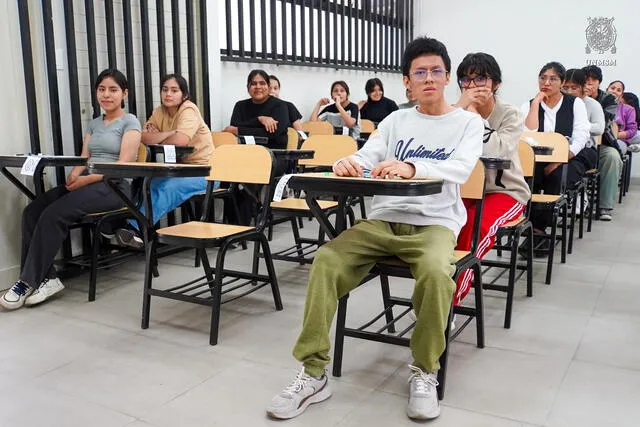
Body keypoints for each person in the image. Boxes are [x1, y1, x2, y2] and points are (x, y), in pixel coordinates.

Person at [266, 37, 483, 421]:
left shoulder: (467, 122)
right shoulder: (395, 120)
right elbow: (369, 154)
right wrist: (351, 162)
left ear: (448, 78)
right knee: (326, 261)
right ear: (407, 81)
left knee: (436, 274)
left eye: (436, 71)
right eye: (420, 72)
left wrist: (412, 167)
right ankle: (314, 373)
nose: (429, 78)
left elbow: (462, 168)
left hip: (434, 224)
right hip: (383, 220)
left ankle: (424, 370)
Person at [1, 69, 141, 310]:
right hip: (89, 183)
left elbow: (122, 166)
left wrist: (85, 180)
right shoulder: (95, 123)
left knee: (55, 214)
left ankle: (27, 281)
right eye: (101, 89)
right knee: (33, 211)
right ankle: (48, 278)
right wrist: (75, 175)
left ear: (124, 94)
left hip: (114, 187)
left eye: (113, 90)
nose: (106, 95)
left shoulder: (130, 122)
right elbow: (84, 158)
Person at [453, 52, 530, 305]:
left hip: (504, 192)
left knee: (475, 227)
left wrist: (473, 114)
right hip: (464, 189)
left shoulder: (510, 114)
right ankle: (432, 289)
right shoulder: (456, 111)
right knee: (443, 225)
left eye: (481, 79)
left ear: (495, 83)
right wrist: (459, 111)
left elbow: (497, 150)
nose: (473, 86)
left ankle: (448, 302)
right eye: (467, 80)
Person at [115, 74, 215, 248]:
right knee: (147, 184)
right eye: (165, 89)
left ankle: (136, 229)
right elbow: (144, 137)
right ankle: (135, 230)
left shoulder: (188, 110)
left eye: (174, 90)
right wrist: (170, 133)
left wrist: (161, 136)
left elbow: (180, 141)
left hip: (206, 171)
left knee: (169, 187)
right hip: (180, 170)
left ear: (184, 95)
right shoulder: (159, 111)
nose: (168, 94)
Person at [520, 62, 594, 251]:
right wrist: (536, 104)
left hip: (570, 157)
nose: (546, 82)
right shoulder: (529, 105)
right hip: (537, 159)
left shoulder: (574, 103)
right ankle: (528, 226)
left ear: (561, 82)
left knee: (556, 176)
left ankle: (539, 230)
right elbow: (528, 133)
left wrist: (562, 158)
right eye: (543, 78)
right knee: (528, 177)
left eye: (553, 79)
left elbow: (581, 135)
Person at [562, 69, 605, 216]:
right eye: (565, 87)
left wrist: (581, 125)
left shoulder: (592, 104)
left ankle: (576, 192)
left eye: (574, 88)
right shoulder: (559, 103)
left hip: (586, 149)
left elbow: (600, 128)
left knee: (573, 163)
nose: (569, 91)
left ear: (583, 88)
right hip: (563, 147)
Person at [582, 65, 622, 221]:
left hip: (602, 143)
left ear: (599, 82)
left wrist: (589, 101)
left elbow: (603, 124)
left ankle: (604, 206)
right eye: (586, 81)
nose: (589, 84)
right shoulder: (573, 97)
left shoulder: (608, 99)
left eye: (593, 81)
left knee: (612, 157)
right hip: (577, 143)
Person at [224, 70, 289, 149]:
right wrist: (259, 120)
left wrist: (240, 130)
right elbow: (233, 130)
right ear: (248, 88)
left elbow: (273, 134)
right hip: (243, 152)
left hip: (273, 154)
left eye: (262, 83)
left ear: (268, 87)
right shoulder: (240, 105)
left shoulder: (280, 105)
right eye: (253, 84)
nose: (258, 87)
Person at [606, 80, 637, 155]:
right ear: (607, 89)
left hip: (618, 140)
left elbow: (632, 130)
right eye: (612, 88)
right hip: (598, 140)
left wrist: (615, 135)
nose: (614, 91)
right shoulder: (598, 104)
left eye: (618, 90)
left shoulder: (629, 109)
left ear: (622, 94)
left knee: (614, 153)